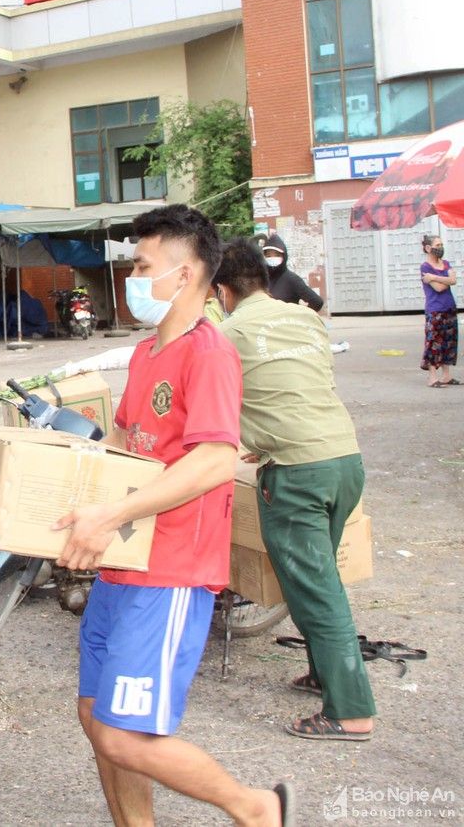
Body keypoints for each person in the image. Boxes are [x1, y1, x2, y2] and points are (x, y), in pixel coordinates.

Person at [54, 205, 292, 826]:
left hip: (172, 570)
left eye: (142, 265)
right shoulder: (144, 354)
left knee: (124, 736)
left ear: (184, 275)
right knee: (95, 716)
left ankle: (258, 808)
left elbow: (214, 460)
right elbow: (127, 444)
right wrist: (69, 493)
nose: (132, 278)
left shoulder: (207, 353)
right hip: (123, 562)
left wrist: (112, 515)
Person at [213, 238, 375, 743]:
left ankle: (349, 712)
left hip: (297, 473)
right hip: (344, 460)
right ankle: (324, 673)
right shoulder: (305, 319)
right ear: (264, 278)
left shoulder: (228, 331)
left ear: (223, 291)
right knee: (317, 579)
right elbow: (297, 384)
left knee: (317, 590)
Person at [419, 234, 458, 387]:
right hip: (435, 310)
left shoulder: (446, 263)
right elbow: (440, 288)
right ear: (428, 248)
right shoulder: (425, 267)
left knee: (449, 343)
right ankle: (432, 378)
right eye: (437, 245)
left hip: (449, 307)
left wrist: (434, 277)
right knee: (433, 343)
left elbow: (453, 280)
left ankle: (446, 376)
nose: (440, 248)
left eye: (441, 244)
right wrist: (445, 279)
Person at [261, 233, 323, 312]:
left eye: (276, 255)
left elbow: (317, 302)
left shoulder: (292, 279)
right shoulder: (260, 280)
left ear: (284, 256)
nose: (272, 258)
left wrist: (299, 315)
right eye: (268, 256)